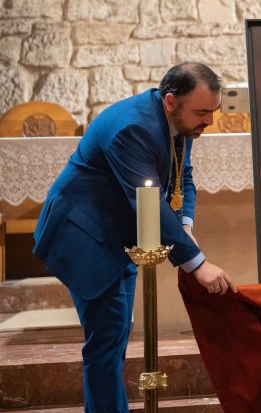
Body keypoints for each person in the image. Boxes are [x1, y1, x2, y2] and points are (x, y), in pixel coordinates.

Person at [32, 62, 238, 412]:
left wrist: (186, 225)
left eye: (213, 112)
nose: (209, 121)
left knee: (112, 339)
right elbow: (149, 202)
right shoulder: (134, 128)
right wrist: (196, 265)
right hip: (85, 236)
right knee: (106, 342)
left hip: (119, 235)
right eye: (203, 112)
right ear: (171, 101)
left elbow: (182, 176)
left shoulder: (176, 122)